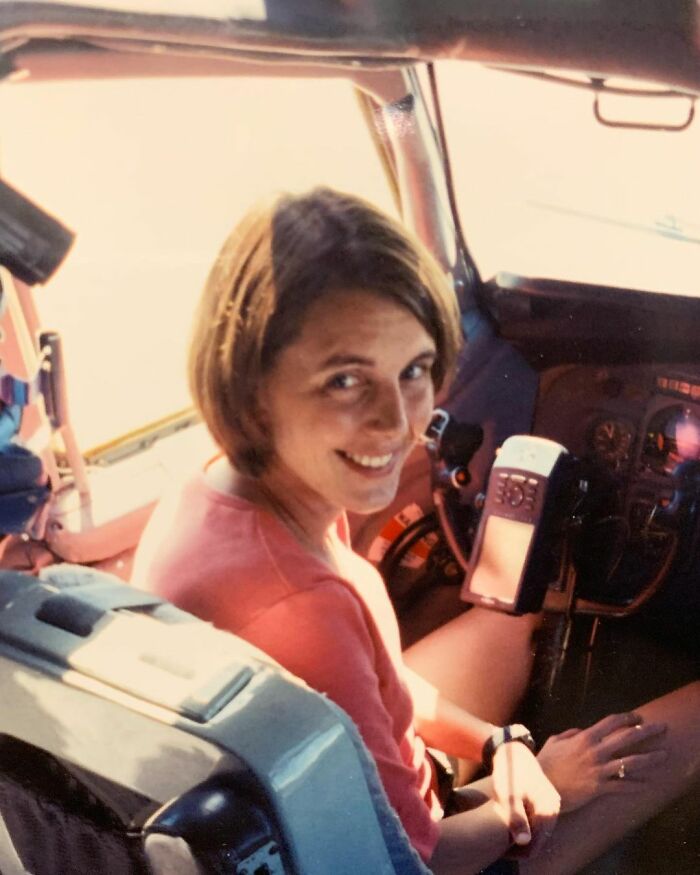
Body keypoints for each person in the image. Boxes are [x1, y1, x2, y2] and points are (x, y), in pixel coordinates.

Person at [133, 188, 699, 874]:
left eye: (414, 371)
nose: (400, 422)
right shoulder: (306, 606)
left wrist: (501, 743)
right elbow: (416, 859)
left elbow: (374, 681)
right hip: (417, 853)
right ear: (251, 382)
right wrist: (547, 783)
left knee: (511, 619)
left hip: (315, 803)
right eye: (345, 379)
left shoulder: (211, 491)